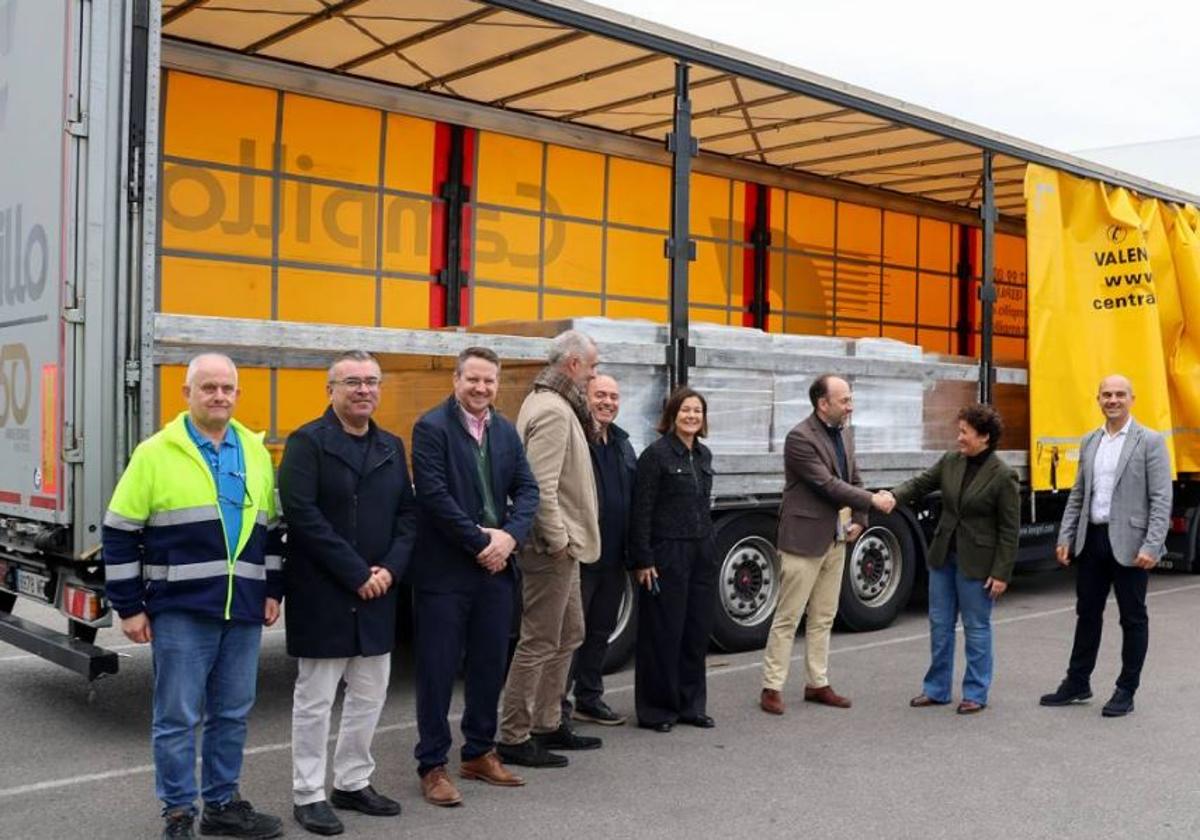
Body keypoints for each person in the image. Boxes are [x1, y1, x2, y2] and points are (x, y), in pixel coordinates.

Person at [102, 353, 283, 840]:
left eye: (227, 388)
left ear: (238, 395)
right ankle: (179, 813)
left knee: (231, 713)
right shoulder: (156, 452)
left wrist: (272, 589)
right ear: (187, 394)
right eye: (208, 388)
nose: (219, 396)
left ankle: (222, 805)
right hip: (181, 610)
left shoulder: (255, 450)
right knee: (177, 718)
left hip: (243, 609)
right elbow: (119, 532)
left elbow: (271, 529)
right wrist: (130, 605)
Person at [278, 351, 417, 835]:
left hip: (379, 590)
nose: (363, 390)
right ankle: (309, 792)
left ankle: (353, 781)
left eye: (371, 382)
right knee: (315, 697)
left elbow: (408, 515)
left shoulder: (390, 445)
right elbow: (302, 515)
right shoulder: (307, 442)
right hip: (325, 590)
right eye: (352, 382)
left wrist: (391, 570)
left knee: (369, 692)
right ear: (330, 389)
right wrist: (357, 571)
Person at [410, 346, 540, 805]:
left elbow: (528, 489)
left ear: (497, 385)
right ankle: (432, 765)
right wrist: (482, 542)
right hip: (446, 570)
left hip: (495, 569)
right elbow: (434, 496)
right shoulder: (430, 428)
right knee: (438, 669)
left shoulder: (505, 431)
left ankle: (480, 752)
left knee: (489, 664)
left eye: (489, 381)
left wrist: (509, 538)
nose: (481, 388)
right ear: (456, 381)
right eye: (473, 380)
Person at [759, 374, 894, 716]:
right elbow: (828, 485)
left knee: (824, 616)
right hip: (803, 540)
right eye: (844, 400)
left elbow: (854, 479)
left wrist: (862, 519)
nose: (850, 406)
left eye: (850, 399)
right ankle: (771, 686)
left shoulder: (845, 434)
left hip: (836, 538)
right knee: (789, 616)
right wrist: (874, 500)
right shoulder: (799, 438)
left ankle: (817, 683)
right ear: (823, 404)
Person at [498, 330, 603, 767]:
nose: (594, 377)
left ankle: (547, 721)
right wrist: (559, 540)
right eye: (592, 367)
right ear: (574, 365)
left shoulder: (548, 402)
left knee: (569, 633)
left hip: (565, 546)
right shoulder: (555, 411)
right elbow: (539, 487)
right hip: (552, 548)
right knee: (540, 638)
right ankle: (514, 734)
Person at [1040, 374, 1171, 717]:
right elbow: (1079, 494)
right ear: (1098, 399)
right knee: (1087, 614)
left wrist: (1152, 545)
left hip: (1131, 544)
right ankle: (1077, 682)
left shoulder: (1150, 441)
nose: (1113, 400)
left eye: (1119, 395)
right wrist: (1066, 536)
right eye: (1106, 395)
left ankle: (1126, 690)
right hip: (1092, 539)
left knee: (1133, 618)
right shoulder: (1089, 441)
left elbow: (1161, 499)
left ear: (1132, 398)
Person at [889, 403, 1019, 714]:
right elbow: (920, 484)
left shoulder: (1003, 476)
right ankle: (936, 689)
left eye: (964, 432)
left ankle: (975, 692)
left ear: (984, 437)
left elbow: (1009, 530)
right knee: (939, 624)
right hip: (943, 557)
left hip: (977, 563)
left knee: (976, 627)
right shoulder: (951, 461)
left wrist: (1001, 573)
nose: (958, 438)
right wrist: (892, 497)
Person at [631, 387, 719, 732]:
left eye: (697, 411)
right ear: (672, 415)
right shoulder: (656, 456)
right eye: (686, 411)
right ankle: (657, 709)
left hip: (701, 552)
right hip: (667, 552)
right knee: (663, 633)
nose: (692, 416)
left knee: (696, 632)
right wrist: (643, 558)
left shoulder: (704, 455)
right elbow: (641, 511)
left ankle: (691, 705)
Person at [563, 374, 637, 727]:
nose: (608, 402)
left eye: (614, 396)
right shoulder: (575, 439)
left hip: (614, 557)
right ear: (585, 398)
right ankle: (556, 706)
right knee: (570, 634)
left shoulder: (622, 444)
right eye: (600, 395)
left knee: (599, 632)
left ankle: (589, 698)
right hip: (581, 555)